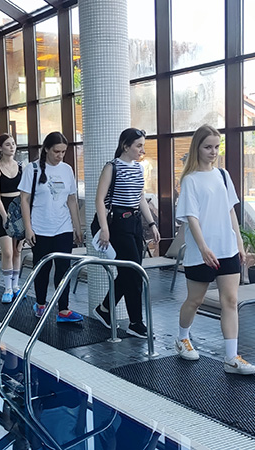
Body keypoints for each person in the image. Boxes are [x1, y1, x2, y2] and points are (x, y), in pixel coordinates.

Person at [174, 124, 255, 375]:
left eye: (216, 147)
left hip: (227, 248)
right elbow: (191, 218)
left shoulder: (223, 175)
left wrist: (239, 243)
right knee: (195, 300)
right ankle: (182, 338)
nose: (213, 152)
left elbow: (230, 209)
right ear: (197, 148)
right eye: (208, 147)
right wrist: (203, 248)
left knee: (230, 301)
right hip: (202, 251)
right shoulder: (190, 180)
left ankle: (231, 358)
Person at [92, 128, 160, 338]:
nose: (142, 150)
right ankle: (135, 322)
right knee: (133, 273)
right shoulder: (112, 167)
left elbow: (140, 197)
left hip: (134, 222)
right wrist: (104, 228)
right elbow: (99, 200)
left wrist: (152, 224)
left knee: (129, 271)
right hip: (117, 224)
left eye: (142, 146)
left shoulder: (138, 168)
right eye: (138, 146)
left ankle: (105, 309)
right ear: (125, 146)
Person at [19, 132, 83, 322]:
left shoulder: (67, 169)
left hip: (63, 227)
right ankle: (40, 304)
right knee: (42, 269)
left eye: (63, 152)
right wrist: (28, 228)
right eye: (56, 151)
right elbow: (24, 200)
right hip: (40, 228)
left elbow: (71, 199)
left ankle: (63, 309)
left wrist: (77, 227)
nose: (60, 155)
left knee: (63, 269)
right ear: (46, 149)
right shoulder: (32, 169)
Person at [0, 134, 23, 303]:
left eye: (13, 144)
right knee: (8, 252)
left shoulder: (20, 167)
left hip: (18, 210)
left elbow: (25, 194)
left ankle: (16, 285)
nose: (12, 147)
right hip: (3, 209)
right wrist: (5, 216)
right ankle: (8, 288)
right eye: (8, 144)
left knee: (17, 251)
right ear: (0, 148)